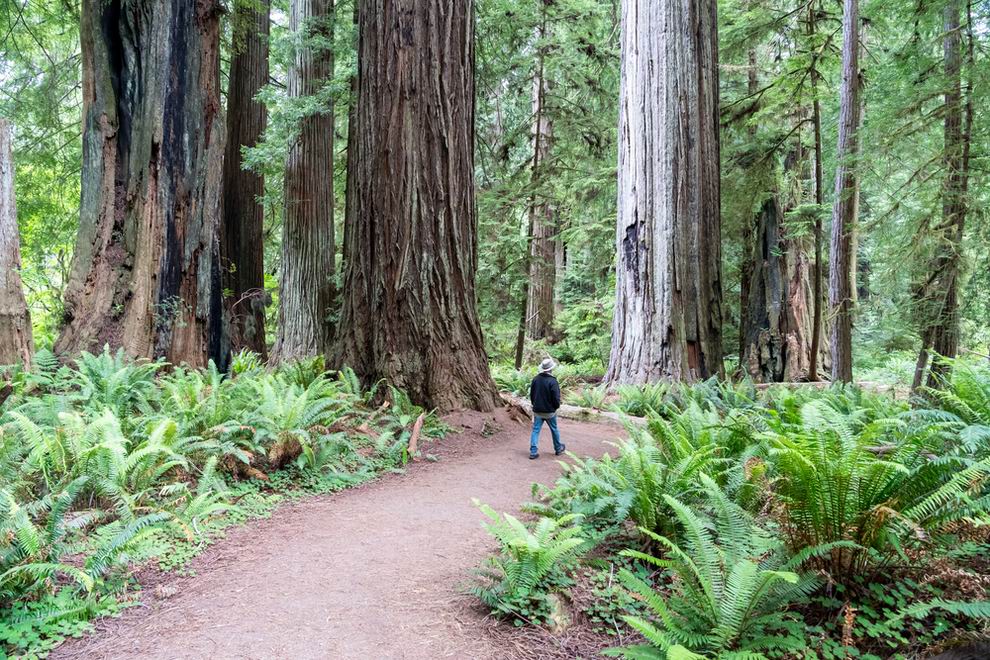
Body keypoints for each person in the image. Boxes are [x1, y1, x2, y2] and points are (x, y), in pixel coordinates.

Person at [528, 358, 565, 459]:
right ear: (551, 369)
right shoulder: (553, 381)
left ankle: (533, 451)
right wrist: (555, 407)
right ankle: (558, 448)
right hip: (549, 412)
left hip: (537, 410)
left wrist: (534, 404)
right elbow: (556, 398)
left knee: (535, 430)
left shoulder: (535, 379)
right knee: (554, 429)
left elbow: (532, 394)